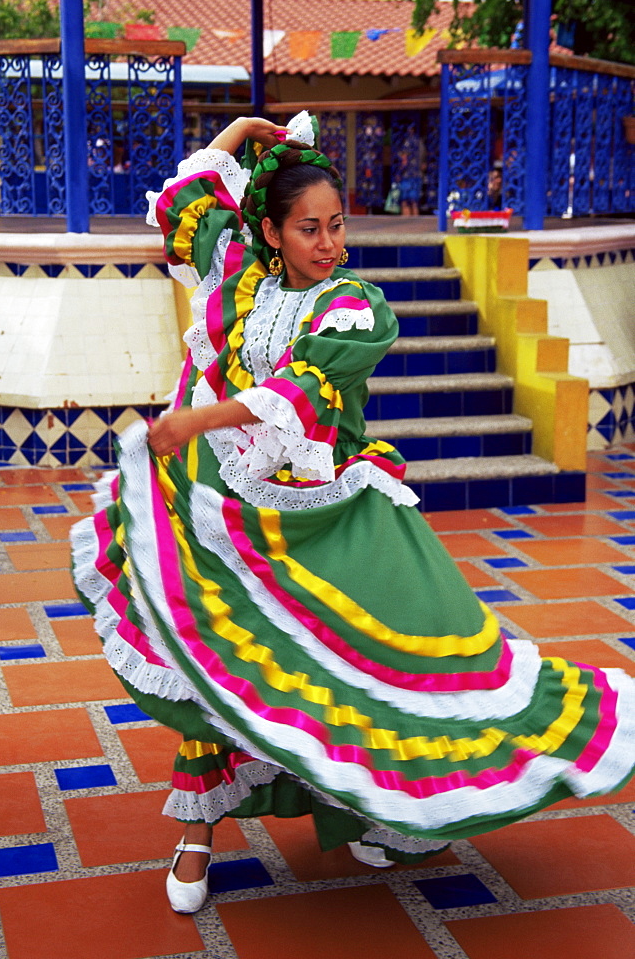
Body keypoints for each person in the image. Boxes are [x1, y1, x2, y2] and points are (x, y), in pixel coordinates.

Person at [71, 111, 635, 915]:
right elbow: (187, 199)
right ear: (269, 229)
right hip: (223, 516)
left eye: (337, 224)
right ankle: (196, 835)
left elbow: (303, 390)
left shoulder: (357, 306)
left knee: (392, 670)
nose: (330, 242)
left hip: (328, 514)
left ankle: (383, 814)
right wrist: (238, 129)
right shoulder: (232, 267)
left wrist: (197, 419)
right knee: (218, 667)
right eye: (309, 228)